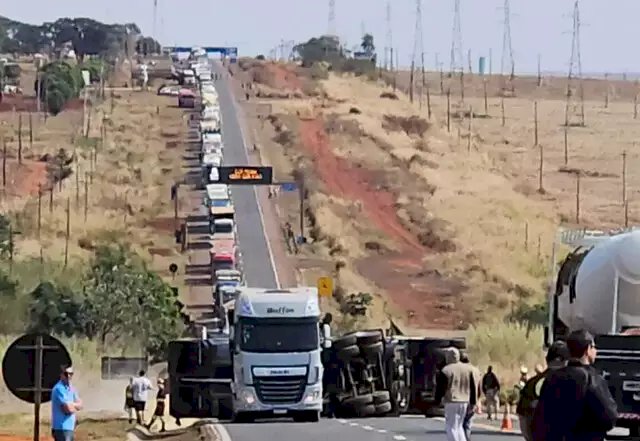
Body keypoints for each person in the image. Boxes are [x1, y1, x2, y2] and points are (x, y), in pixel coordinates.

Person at [532, 330, 618, 441]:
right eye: (594, 347)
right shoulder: (592, 379)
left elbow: (539, 419)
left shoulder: (553, 378)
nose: (596, 350)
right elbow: (609, 417)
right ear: (587, 350)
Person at [516, 340, 569, 441]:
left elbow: (523, 417)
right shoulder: (572, 382)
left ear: (547, 359)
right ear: (565, 361)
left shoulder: (532, 383)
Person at [437, 347, 476, 441]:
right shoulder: (468, 369)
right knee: (459, 426)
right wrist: (473, 402)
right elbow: (472, 386)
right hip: (465, 400)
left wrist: (438, 399)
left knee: (451, 426)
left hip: (451, 400)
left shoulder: (446, 370)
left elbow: (441, 387)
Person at [51, 365, 83, 441]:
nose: (68, 376)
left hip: (69, 428)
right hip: (61, 429)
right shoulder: (59, 388)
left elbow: (81, 405)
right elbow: (68, 409)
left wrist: (71, 405)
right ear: (61, 374)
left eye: (71, 374)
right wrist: (74, 406)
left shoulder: (71, 388)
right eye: (66, 374)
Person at [460, 352, 482, 441]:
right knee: (468, 423)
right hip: (473, 400)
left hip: (463, 398)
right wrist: (478, 399)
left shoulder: (461, 370)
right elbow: (479, 387)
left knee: (461, 423)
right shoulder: (476, 370)